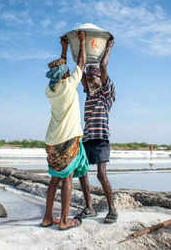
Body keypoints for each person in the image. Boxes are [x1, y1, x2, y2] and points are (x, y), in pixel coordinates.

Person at [41, 31, 89, 230]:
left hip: (52, 140)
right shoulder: (70, 85)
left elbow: (62, 66)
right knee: (67, 178)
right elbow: (82, 62)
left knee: (54, 179)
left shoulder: (50, 90)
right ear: (65, 74)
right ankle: (63, 221)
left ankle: (47, 218)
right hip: (68, 138)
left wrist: (63, 46)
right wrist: (83, 42)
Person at [75, 36, 117, 224]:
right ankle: (89, 207)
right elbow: (81, 68)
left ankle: (112, 209)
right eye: (89, 77)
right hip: (86, 139)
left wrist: (108, 47)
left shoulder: (106, 93)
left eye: (94, 76)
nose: (91, 79)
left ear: (101, 79)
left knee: (101, 174)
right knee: (82, 172)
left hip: (101, 139)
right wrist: (78, 46)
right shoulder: (89, 92)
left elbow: (104, 66)